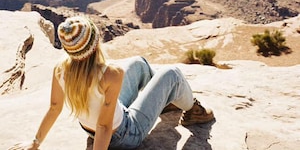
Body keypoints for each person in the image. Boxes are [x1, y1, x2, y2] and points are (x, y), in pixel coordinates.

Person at [9, 16, 214, 150]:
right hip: (126, 135)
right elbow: (105, 127)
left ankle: (163, 101)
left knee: (139, 63)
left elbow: (54, 108)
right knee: (172, 73)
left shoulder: (61, 68)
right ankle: (194, 111)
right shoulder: (110, 74)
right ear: (95, 43)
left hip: (91, 128)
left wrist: (35, 143)